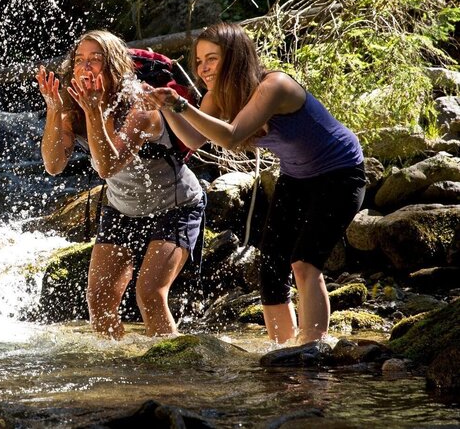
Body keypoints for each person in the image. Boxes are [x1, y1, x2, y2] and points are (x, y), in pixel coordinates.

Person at [141, 22, 366, 344]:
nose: (203, 68)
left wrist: (180, 104)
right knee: (271, 268)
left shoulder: (274, 85)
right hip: (296, 176)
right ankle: (281, 349)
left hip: (341, 175)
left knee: (304, 264)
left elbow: (232, 138)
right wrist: (168, 108)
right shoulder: (218, 95)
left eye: (212, 59)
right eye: (199, 61)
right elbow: (192, 137)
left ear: (235, 56)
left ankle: (311, 348)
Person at [36, 30, 206, 339]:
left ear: (113, 65)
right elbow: (53, 165)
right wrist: (53, 109)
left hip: (176, 206)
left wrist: (95, 113)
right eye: (79, 60)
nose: (85, 68)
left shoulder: (141, 106)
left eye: (95, 60)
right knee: (99, 302)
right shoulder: (73, 107)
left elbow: (106, 166)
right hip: (121, 208)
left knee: (150, 295)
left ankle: (174, 372)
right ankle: (119, 373)